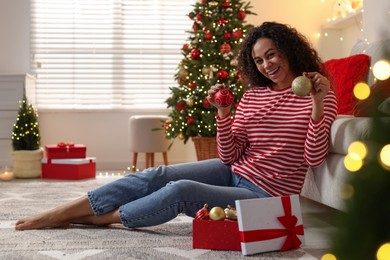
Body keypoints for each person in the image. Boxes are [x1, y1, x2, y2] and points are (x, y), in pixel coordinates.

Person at [15, 21, 337, 231]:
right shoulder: (254, 96)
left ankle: (99, 218)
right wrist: (224, 113)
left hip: (266, 194)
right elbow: (229, 156)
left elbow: (313, 159)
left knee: (180, 191)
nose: (268, 65)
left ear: (289, 50)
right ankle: (66, 210)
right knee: (160, 175)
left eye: (272, 54)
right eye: (260, 60)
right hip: (234, 171)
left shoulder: (318, 93)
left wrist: (318, 104)